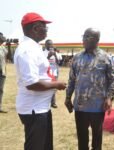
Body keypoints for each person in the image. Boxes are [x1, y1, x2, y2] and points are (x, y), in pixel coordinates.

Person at [14, 12, 66, 150]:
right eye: (44, 26)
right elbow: (32, 83)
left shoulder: (33, 47)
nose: (46, 30)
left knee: (45, 146)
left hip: (40, 107)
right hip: (34, 109)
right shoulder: (27, 50)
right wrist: (57, 84)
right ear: (36, 28)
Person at [65, 28, 114, 150]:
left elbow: (113, 79)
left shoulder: (106, 58)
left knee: (97, 140)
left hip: (98, 106)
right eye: (84, 36)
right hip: (80, 106)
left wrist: (109, 97)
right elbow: (72, 79)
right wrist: (68, 97)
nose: (83, 39)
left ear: (96, 40)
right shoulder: (77, 57)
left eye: (87, 37)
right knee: (82, 140)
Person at [43, 39, 60, 108]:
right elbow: (42, 64)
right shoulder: (43, 53)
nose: (50, 45)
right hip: (46, 73)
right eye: (49, 44)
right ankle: (45, 102)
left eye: (51, 44)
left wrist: (55, 55)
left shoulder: (55, 52)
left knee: (54, 88)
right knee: (46, 87)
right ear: (45, 45)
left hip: (54, 73)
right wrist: (48, 56)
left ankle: (53, 102)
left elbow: (59, 63)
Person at [0, 32, 8, 113]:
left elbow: (8, 57)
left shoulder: (3, 47)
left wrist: (8, 45)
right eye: (1, 36)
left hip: (2, 72)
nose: (3, 37)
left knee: (0, 90)